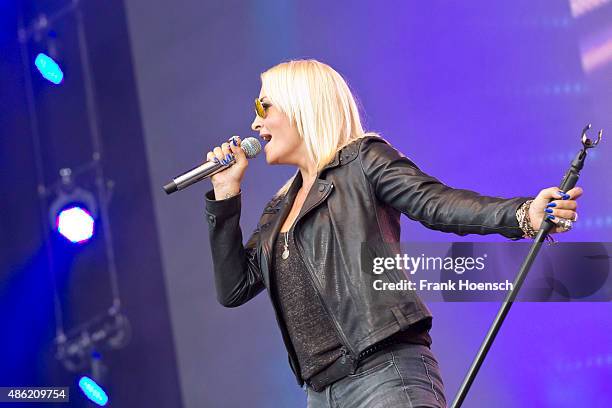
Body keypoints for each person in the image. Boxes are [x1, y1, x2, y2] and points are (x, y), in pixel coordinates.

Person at [203, 59, 582, 408]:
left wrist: (522, 214)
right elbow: (235, 288)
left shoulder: (362, 161)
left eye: (263, 107)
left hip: (383, 377)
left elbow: (438, 204)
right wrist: (225, 196)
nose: (256, 124)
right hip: (320, 395)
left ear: (301, 105)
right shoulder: (280, 204)